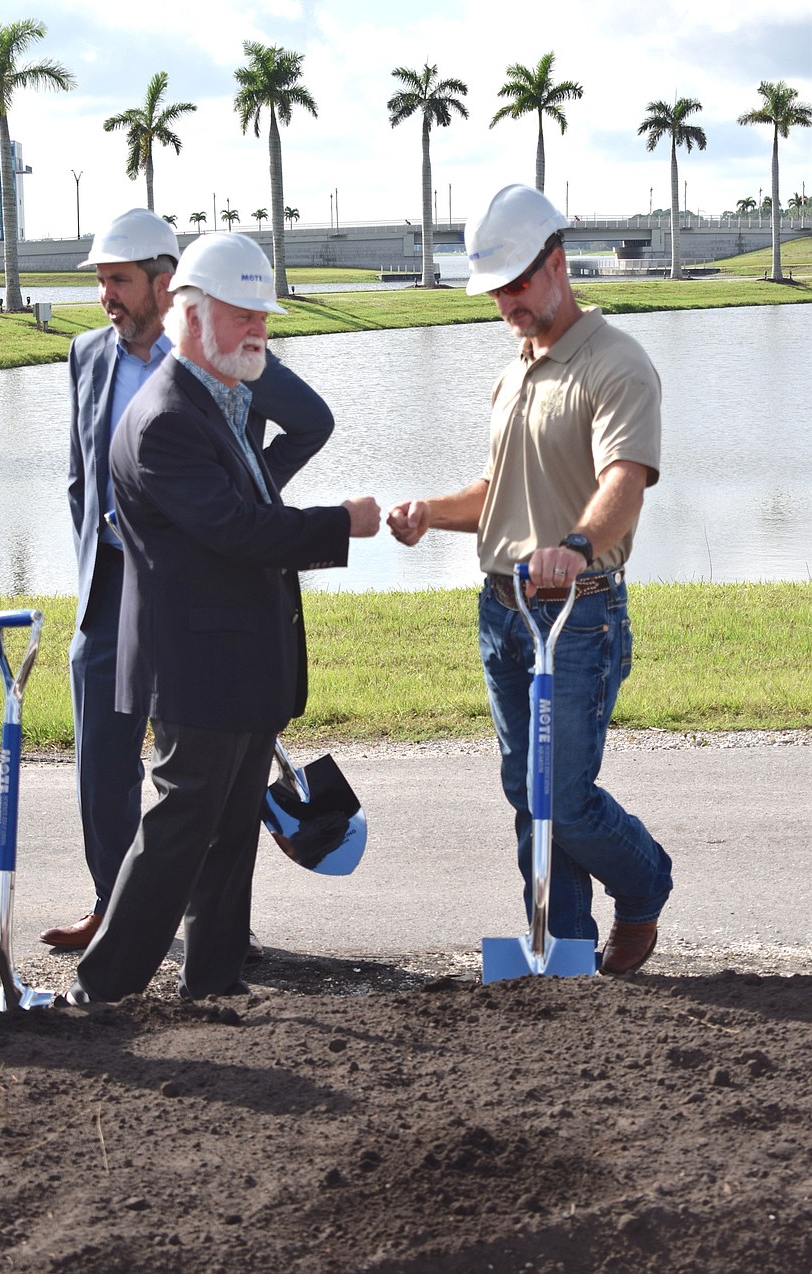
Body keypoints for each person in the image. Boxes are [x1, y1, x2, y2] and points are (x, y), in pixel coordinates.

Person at [66, 233, 379, 1004]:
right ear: (193, 314)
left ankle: (214, 982)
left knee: (232, 828)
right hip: (195, 662)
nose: (258, 329)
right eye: (244, 315)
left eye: (262, 316)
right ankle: (102, 990)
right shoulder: (168, 418)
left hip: (235, 658)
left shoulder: (220, 402)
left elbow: (245, 510)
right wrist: (340, 523)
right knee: (181, 826)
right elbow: (237, 531)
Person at [387, 184, 673, 976]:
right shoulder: (515, 372)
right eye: (496, 291)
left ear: (557, 264)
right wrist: (428, 512)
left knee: (564, 799)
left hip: (577, 614)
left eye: (517, 284)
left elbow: (625, 480)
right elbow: (497, 494)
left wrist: (576, 546)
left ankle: (645, 884)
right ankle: (563, 954)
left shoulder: (616, 363)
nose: (507, 303)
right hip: (502, 611)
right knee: (526, 791)